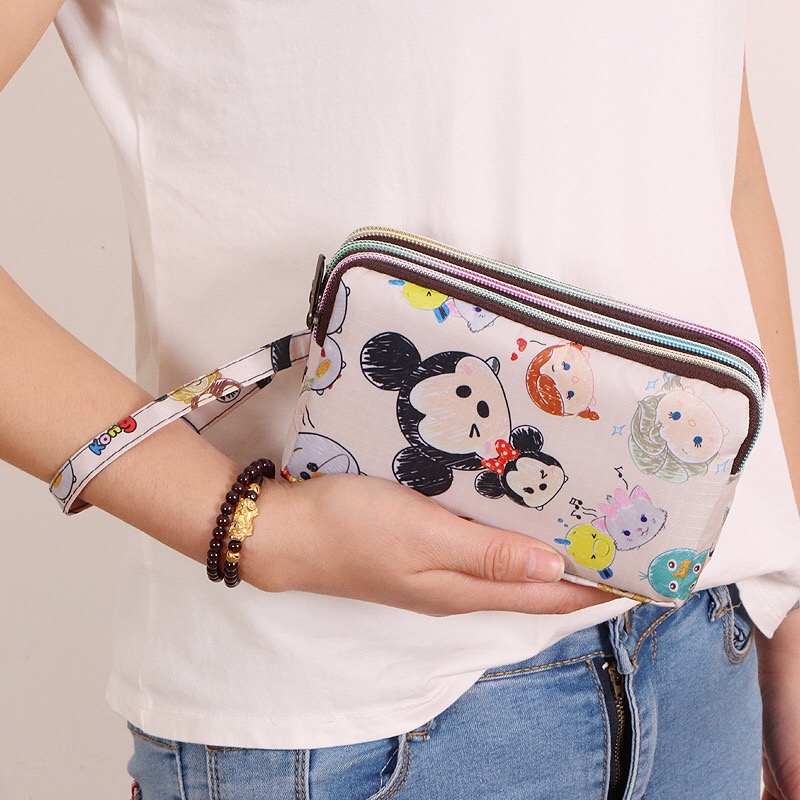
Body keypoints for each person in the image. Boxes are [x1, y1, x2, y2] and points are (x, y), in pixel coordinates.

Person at [2, 2, 799, 798]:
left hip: (703, 649)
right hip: (341, 724)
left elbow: (724, 169)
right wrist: (259, 529)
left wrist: (789, 587)